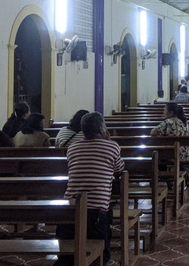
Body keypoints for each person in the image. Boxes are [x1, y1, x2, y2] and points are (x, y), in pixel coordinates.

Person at [55, 112, 125, 265]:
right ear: (101, 128)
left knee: (67, 255)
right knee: (101, 254)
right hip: (96, 212)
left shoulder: (72, 148)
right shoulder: (112, 146)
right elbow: (120, 169)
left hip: (69, 209)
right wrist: (107, 140)